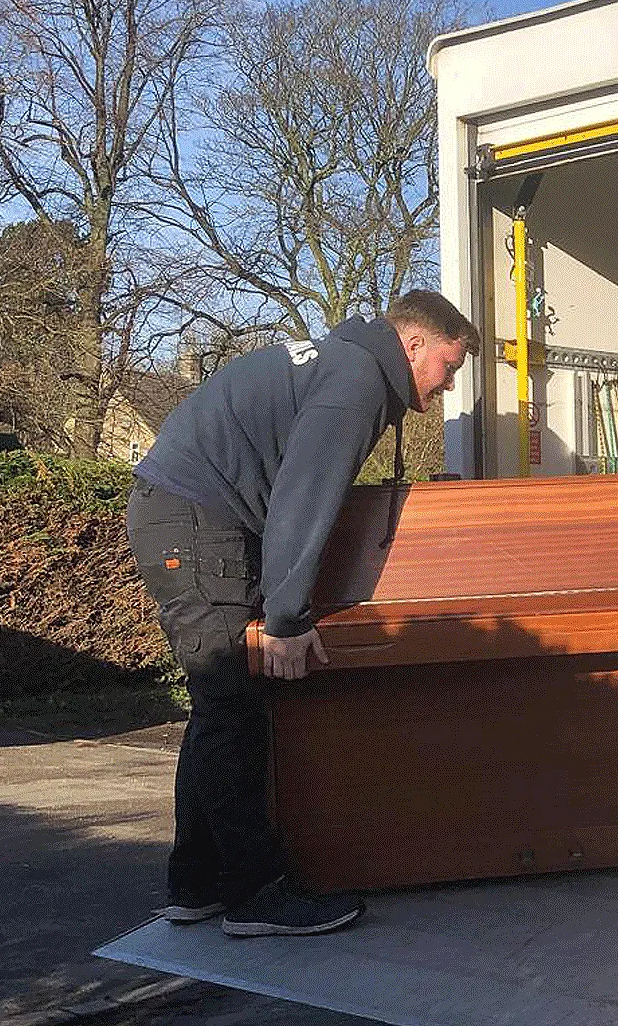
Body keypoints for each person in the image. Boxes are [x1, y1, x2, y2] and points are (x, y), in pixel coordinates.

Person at [127, 290, 480, 936]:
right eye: (448, 367)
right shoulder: (355, 381)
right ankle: (255, 896)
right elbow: (302, 497)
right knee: (234, 708)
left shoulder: (341, 364)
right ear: (414, 344)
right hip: (197, 522)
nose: (449, 386)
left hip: (186, 516)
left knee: (220, 707)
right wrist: (288, 619)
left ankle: (196, 883)